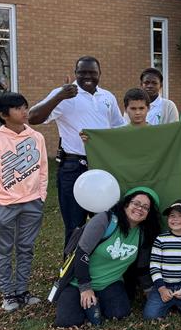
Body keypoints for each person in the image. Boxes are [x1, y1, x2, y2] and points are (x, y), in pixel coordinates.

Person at [29, 56, 125, 246]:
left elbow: (118, 129)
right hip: (73, 167)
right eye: (82, 72)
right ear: (75, 73)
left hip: (102, 166)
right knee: (74, 225)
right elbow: (33, 118)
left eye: (92, 72)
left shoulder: (107, 97)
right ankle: (71, 264)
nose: (87, 76)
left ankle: (99, 263)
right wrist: (59, 96)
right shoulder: (64, 94)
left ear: (100, 73)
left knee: (105, 222)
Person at [0, 92, 48, 311]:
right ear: (3, 115)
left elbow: (43, 168)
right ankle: (8, 294)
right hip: (3, 205)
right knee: (3, 251)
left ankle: (22, 291)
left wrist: (41, 195)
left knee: (26, 249)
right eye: (18, 108)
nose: (24, 111)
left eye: (25, 107)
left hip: (32, 203)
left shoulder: (37, 137)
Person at [54, 187, 161, 327]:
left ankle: (95, 302)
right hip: (78, 282)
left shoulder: (143, 233)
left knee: (120, 313)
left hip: (110, 282)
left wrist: (148, 290)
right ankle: (81, 300)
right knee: (67, 321)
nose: (140, 208)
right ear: (126, 204)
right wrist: (85, 288)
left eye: (145, 207)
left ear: (148, 214)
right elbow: (81, 253)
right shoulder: (105, 220)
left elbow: (141, 267)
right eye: (136, 203)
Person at [144, 199, 181, 320]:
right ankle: (169, 299)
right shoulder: (160, 239)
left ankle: (177, 300)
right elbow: (154, 266)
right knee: (150, 316)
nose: (175, 219)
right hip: (163, 284)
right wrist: (161, 289)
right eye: (172, 216)